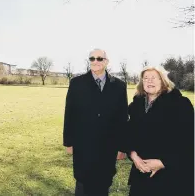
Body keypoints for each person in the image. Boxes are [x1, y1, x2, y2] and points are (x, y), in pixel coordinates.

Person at [63, 49, 128, 196]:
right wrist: (68, 142)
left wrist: (122, 147)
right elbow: (69, 114)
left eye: (99, 58)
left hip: (108, 146)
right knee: (83, 183)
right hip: (83, 145)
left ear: (106, 61)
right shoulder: (76, 83)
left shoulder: (119, 85)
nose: (95, 62)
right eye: (92, 59)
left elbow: (122, 118)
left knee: (104, 182)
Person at [124, 66, 194, 196]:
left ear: (163, 81)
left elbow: (189, 141)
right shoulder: (136, 105)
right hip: (141, 173)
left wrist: (163, 163)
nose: (149, 81)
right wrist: (133, 155)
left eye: (153, 78)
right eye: (145, 78)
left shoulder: (180, 104)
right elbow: (128, 134)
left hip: (171, 176)